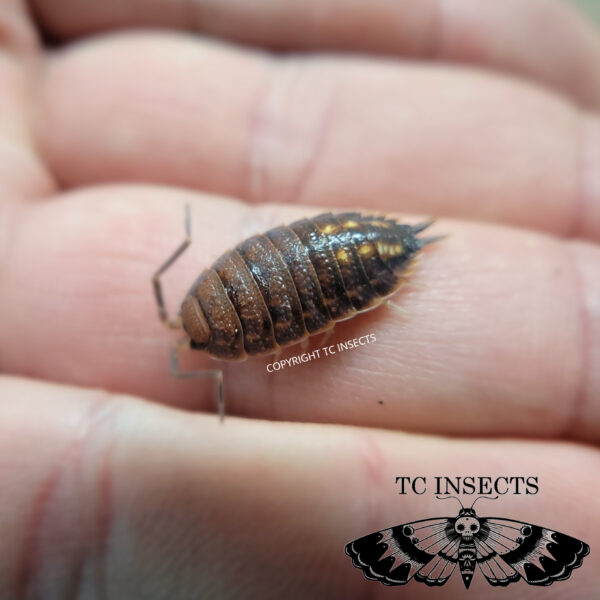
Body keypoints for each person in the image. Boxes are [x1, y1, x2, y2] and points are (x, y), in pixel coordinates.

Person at [0, 0, 598, 598]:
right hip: (316, 254)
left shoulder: (247, 333)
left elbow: (300, 343)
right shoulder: (218, 301)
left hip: (334, 257)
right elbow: (299, 339)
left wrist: (290, 356)